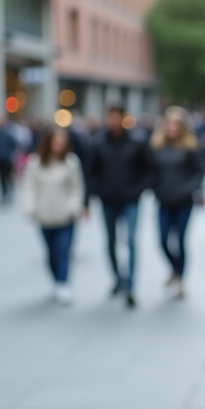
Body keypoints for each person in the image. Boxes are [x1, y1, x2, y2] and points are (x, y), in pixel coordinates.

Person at [86, 101, 152, 308]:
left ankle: (130, 285)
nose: (113, 120)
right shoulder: (98, 143)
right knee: (111, 241)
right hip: (108, 201)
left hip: (130, 200)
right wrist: (95, 194)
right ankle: (118, 277)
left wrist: (137, 189)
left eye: (117, 116)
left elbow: (148, 170)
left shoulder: (136, 142)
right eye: (110, 116)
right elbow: (90, 173)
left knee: (131, 241)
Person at [23, 127, 85, 305]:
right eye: (56, 141)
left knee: (63, 249)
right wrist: (30, 208)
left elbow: (77, 187)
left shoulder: (71, 162)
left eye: (62, 141)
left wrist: (73, 207)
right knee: (50, 252)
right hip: (44, 215)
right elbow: (29, 187)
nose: (59, 144)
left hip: (65, 216)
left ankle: (64, 283)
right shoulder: (35, 163)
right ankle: (56, 279)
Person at [149, 107, 204, 300]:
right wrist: (155, 188)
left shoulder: (189, 147)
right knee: (163, 240)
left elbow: (199, 172)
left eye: (176, 125)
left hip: (183, 201)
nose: (172, 128)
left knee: (180, 240)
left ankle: (180, 278)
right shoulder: (157, 146)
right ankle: (174, 268)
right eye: (169, 124)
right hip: (163, 200)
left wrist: (188, 189)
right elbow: (151, 171)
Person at [0, 114, 19, 205]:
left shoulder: (9, 133)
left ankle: (10, 192)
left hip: (8, 160)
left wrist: (12, 155)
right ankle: (4, 193)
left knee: (9, 177)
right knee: (1, 178)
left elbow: (14, 145)